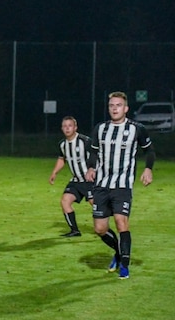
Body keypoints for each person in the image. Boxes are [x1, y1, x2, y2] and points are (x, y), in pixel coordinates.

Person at [85, 91, 155, 279]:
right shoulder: (100, 129)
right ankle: (118, 252)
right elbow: (93, 152)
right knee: (100, 228)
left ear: (126, 108)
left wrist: (148, 169)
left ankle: (124, 265)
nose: (114, 108)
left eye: (118, 105)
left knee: (120, 222)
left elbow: (149, 151)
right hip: (101, 184)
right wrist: (91, 168)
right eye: (111, 105)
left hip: (122, 185)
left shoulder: (137, 128)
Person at [48, 116, 92, 237]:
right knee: (65, 201)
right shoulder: (62, 144)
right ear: (62, 128)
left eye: (70, 126)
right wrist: (54, 172)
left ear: (75, 127)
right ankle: (75, 230)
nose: (67, 128)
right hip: (76, 181)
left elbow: (97, 157)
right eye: (65, 126)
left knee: (97, 205)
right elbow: (62, 159)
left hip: (89, 181)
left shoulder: (85, 141)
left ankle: (111, 224)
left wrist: (94, 172)